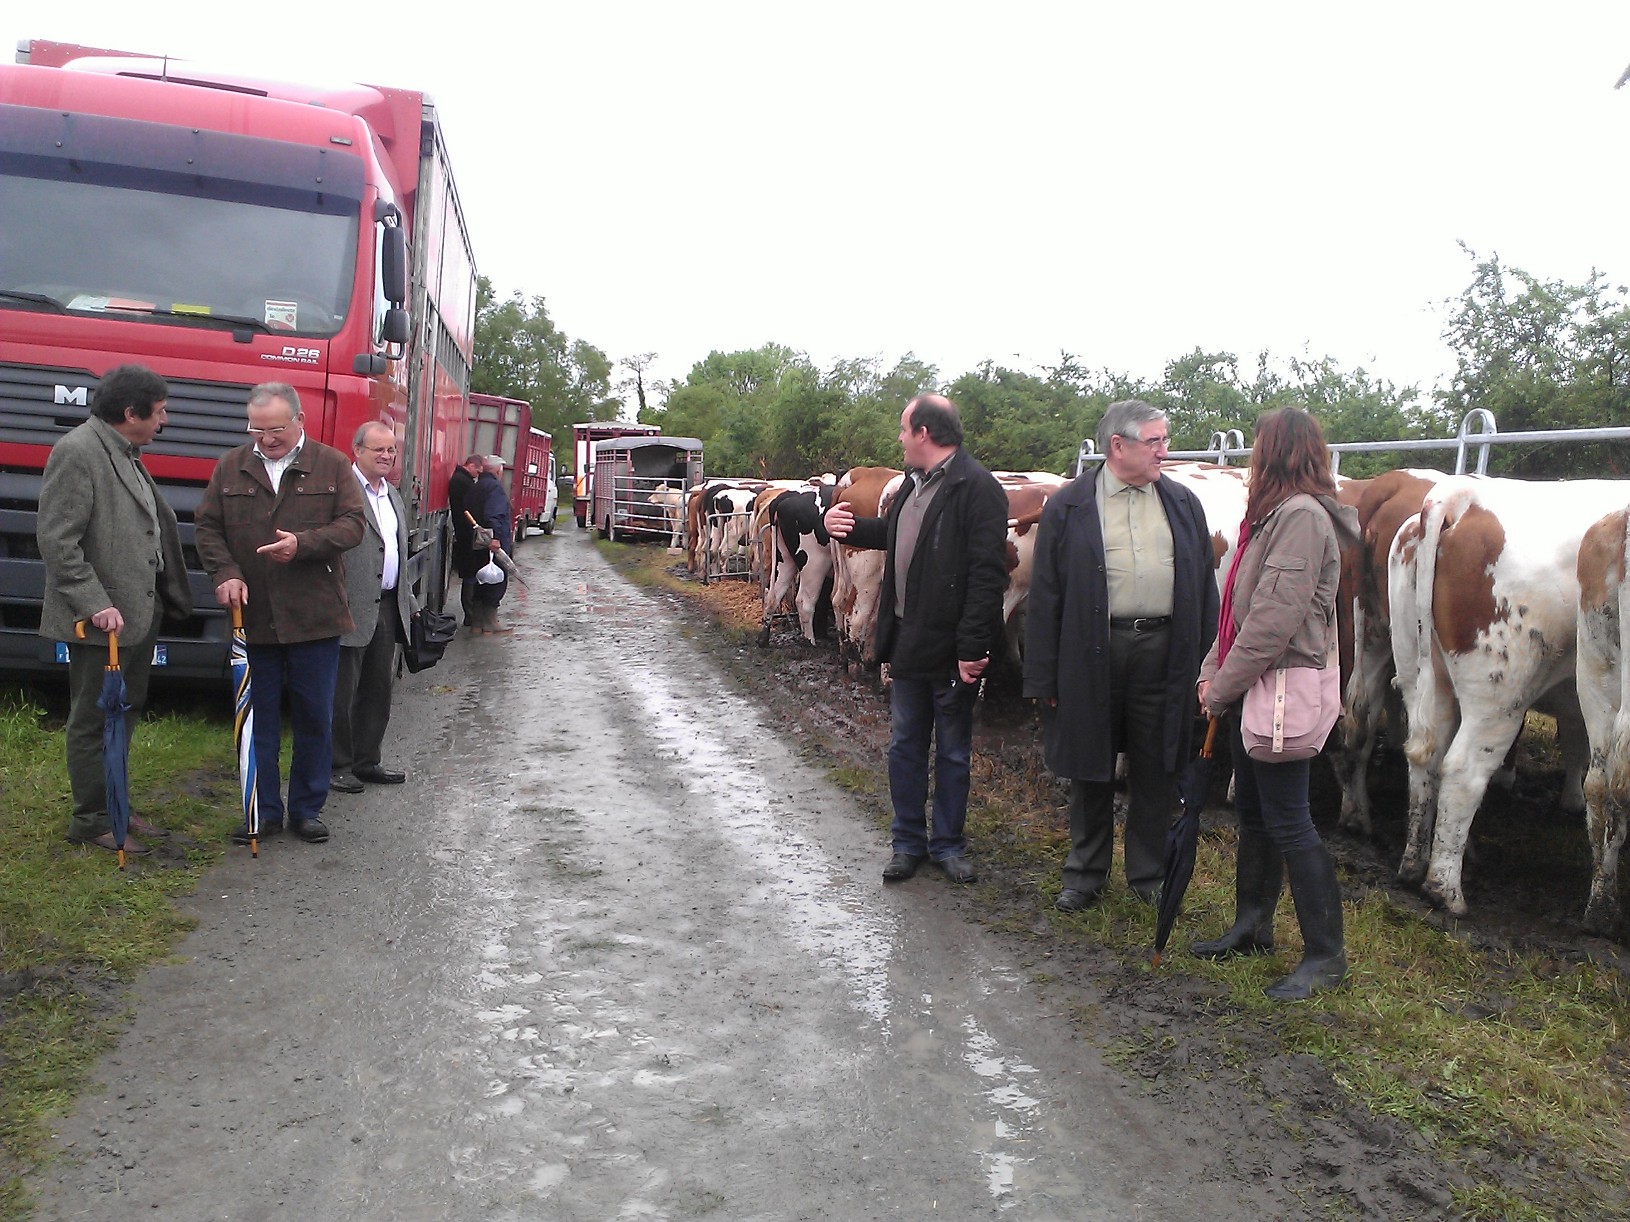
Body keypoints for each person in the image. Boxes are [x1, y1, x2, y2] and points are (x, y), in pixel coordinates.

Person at [1023, 400, 1219, 911]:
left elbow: (1203, 588)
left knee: (1157, 765)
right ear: (1118, 446)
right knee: (1090, 764)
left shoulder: (1182, 503)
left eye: (1164, 440)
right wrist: (1043, 676)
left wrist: (1207, 663)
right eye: (1155, 441)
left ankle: (1148, 875)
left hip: (1164, 652)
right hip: (1091, 651)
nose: (1164, 451)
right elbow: (1045, 595)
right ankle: (1085, 874)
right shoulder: (1070, 505)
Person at [1196, 407, 1358, 1000]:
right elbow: (1238, 610)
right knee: (1257, 813)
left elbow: (1274, 620)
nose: (1251, 458)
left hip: (1280, 686)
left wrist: (1223, 686)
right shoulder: (1271, 517)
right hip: (1256, 683)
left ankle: (1326, 955)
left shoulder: (1301, 519)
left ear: (1278, 452)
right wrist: (1213, 669)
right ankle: (1252, 926)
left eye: (1259, 446)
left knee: (1290, 819)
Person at [823, 394, 1008, 884]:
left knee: (952, 751)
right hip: (907, 639)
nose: (900, 439)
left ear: (924, 433)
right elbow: (896, 534)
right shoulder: (912, 484)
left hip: (951, 648)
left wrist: (973, 649)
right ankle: (907, 843)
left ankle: (947, 845)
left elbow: (987, 576)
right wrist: (846, 527)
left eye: (904, 430)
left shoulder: (978, 488)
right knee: (905, 746)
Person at [194, 382, 365, 845]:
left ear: (300, 420)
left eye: (276, 429)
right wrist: (225, 573)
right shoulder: (231, 467)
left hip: (315, 617)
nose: (267, 439)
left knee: (314, 718)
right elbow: (207, 527)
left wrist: (304, 544)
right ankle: (264, 810)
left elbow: (354, 525)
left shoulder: (332, 464)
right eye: (257, 430)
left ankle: (307, 809)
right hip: (253, 617)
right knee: (258, 720)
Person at [37, 365, 192, 854]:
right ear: (131, 412)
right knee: (95, 717)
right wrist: (94, 603)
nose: (163, 421)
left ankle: (115, 805)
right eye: (159, 412)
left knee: (122, 712)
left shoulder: (123, 451)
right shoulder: (78, 452)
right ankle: (92, 820)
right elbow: (58, 542)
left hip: (136, 615)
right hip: (102, 619)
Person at [330, 422, 419, 795]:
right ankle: (338, 765)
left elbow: (396, 549)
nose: (386, 456)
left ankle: (367, 761)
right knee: (342, 691)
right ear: (357, 450)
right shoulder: (340, 492)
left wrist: (409, 602)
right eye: (378, 449)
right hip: (348, 606)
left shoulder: (392, 495)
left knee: (378, 689)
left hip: (387, 605)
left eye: (391, 450)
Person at [465, 454, 515, 635]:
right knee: (495, 581)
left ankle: (477, 624)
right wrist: (496, 538)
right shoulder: (494, 488)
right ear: (498, 470)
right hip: (493, 543)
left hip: (478, 543)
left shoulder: (476, 486)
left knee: (481, 580)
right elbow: (494, 514)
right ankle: (490, 623)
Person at [447, 453, 484, 627]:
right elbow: (471, 508)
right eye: (478, 471)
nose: (478, 475)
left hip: (464, 533)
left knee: (469, 574)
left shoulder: (460, 480)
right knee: (470, 574)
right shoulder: (463, 482)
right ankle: (470, 614)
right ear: (471, 465)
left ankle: (470, 613)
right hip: (467, 534)